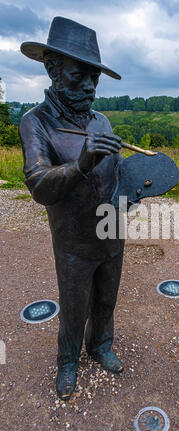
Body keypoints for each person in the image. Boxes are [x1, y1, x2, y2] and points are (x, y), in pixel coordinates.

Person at [19, 17, 126, 401]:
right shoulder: (36, 123)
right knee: (74, 305)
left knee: (106, 297)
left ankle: (101, 345)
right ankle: (68, 361)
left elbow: (116, 175)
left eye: (94, 78)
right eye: (80, 76)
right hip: (74, 242)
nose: (90, 87)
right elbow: (39, 185)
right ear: (52, 69)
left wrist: (138, 187)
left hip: (111, 231)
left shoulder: (101, 120)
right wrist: (81, 163)